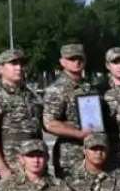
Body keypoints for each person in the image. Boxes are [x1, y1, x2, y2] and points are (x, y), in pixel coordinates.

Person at [0, 48, 43, 179]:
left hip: (36, 167)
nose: (19, 68)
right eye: (13, 63)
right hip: (12, 168)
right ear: (1, 68)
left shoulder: (32, 96)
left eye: (21, 64)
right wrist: (2, 168)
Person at [43, 43, 100, 177]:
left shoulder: (89, 87)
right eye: (71, 59)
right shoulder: (57, 89)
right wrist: (78, 133)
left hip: (94, 150)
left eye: (80, 58)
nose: (76, 62)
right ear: (62, 62)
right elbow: (49, 123)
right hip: (70, 154)